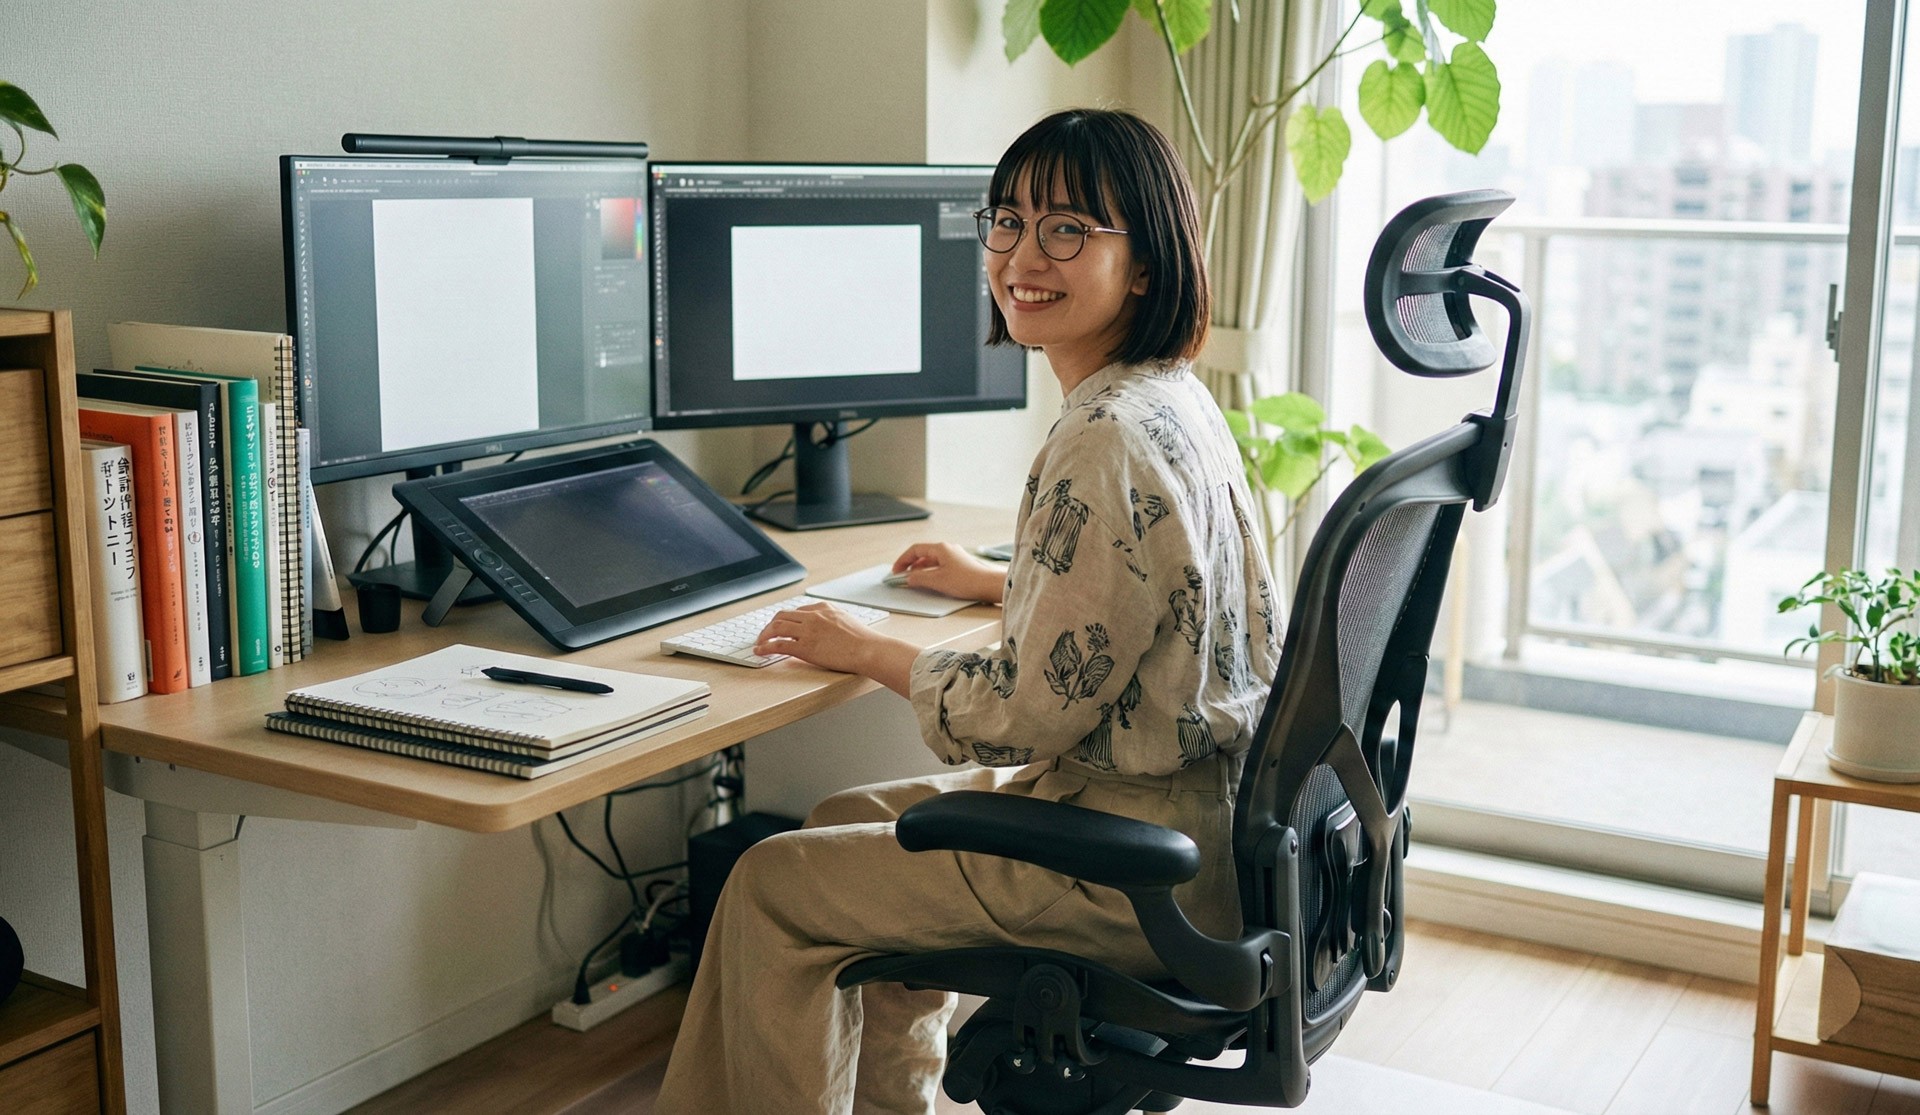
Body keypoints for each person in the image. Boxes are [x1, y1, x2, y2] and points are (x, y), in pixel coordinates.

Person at [654, 107, 1280, 1115]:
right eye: (1009, 222)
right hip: (1198, 828)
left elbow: (1029, 711)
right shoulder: (1164, 397)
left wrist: (870, 647)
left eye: (1070, 228)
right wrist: (1003, 582)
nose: (1025, 255)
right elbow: (1174, 588)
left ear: (1149, 264)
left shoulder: (1102, 437)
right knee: (841, 824)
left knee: (773, 884)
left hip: (1133, 864)